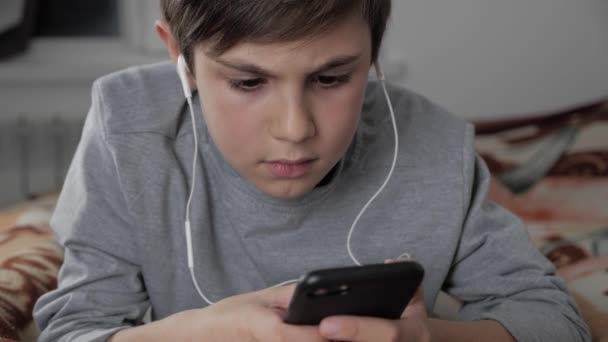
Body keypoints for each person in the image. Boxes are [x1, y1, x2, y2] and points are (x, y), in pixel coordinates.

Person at [34, 1, 590, 341]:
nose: (295, 130)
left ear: (373, 54)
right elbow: (73, 329)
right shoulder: (128, 125)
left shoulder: (432, 141)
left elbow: (555, 320)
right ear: (180, 56)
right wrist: (201, 334)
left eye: (331, 78)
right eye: (249, 83)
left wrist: (429, 337)